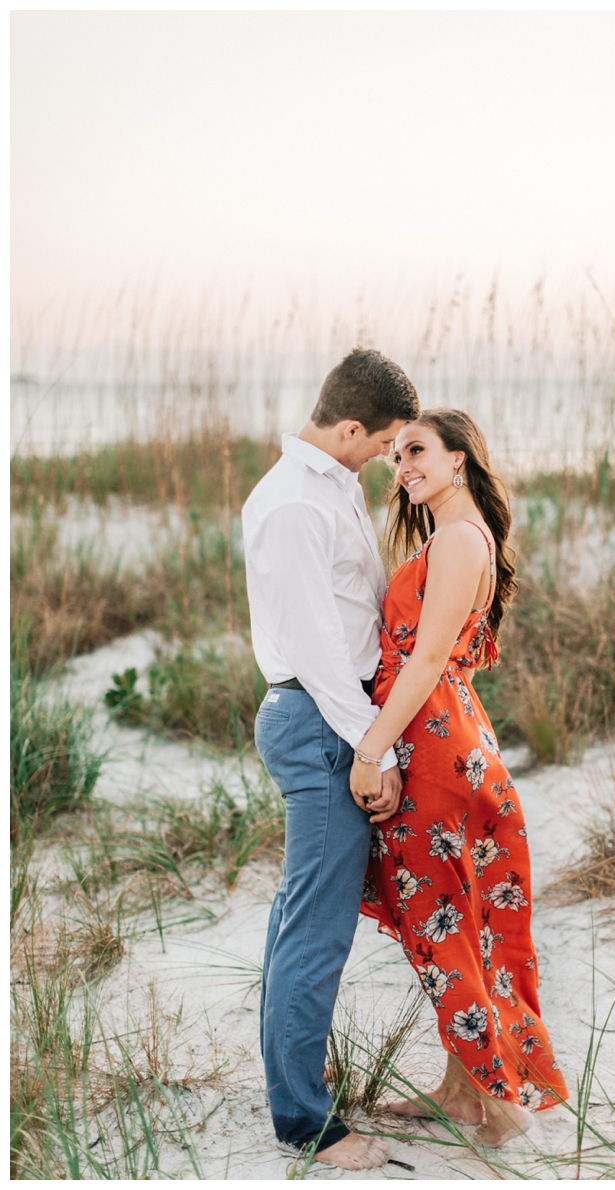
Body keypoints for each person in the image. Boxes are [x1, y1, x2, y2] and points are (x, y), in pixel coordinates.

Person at [351, 408, 569, 1147]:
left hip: (434, 748)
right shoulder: (460, 537)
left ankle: (496, 1101)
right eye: (397, 454)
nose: (402, 465)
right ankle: (461, 1089)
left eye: (417, 451)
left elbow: (425, 659)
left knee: (444, 921)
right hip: (451, 736)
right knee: (458, 919)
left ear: (458, 460)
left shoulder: (455, 541)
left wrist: (370, 749)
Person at [243, 348, 420, 1171]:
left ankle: (292, 1094)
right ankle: (305, 1124)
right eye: (381, 442)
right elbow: (317, 644)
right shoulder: (290, 506)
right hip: (322, 720)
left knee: (298, 918)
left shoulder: (330, 486)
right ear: (349, 426)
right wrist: (371, 745)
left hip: (332, 715)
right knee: (315, 932)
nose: (385, 456)